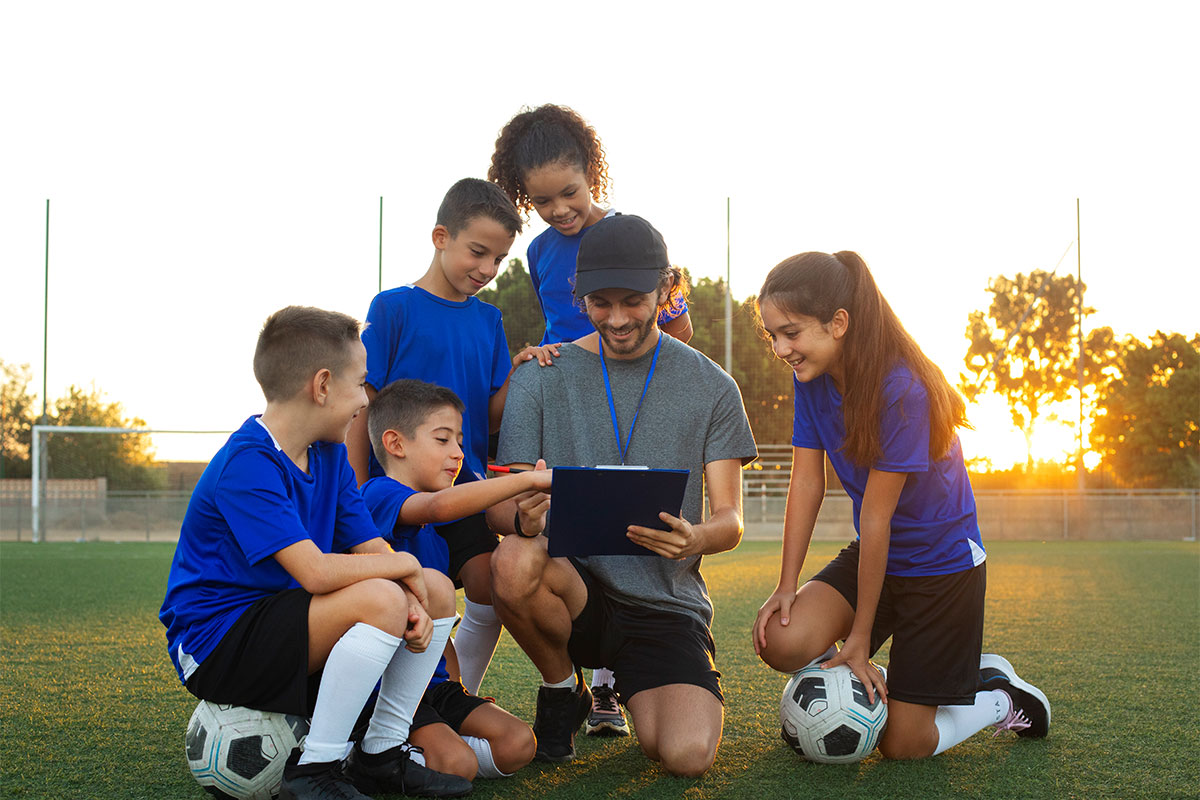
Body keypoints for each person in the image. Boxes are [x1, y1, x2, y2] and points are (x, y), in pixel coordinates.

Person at [159, 306, 472, 800]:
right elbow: (315, 571)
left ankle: (381, 756)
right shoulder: (248, 461)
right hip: (216, 642)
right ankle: (314, 772)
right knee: (386, 596)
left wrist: (415, 584)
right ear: (322, 386)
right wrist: (404, 568)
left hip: (284, 620)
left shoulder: (329, 453)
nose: (364, 399)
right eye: (360, 384)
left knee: (434, 588)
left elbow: (370, 544)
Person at [485, 214, 758, 776]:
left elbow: (730, 521)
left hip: (664, 603)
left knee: (683, 755)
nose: (616, 318)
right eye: (599, 302)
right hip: (574, 591)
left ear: (665, 289)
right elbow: (502, 506)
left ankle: (636, 687)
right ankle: (564, 688)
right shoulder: (540, 376)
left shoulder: (712, 385)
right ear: (579, 297)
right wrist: (526, 520)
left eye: (633, 300)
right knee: (512, 559)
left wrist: (696, 537)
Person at [751, 251, 1051, 760]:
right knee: (780, 638)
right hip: (879, 551)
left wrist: (860, 637)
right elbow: (806, 483)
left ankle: (997, 694)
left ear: (838, 323)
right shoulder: (812, 376)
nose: (781, 348)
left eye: (791, 333)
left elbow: (877, 513)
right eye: (772, 335)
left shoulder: (901, 390)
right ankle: (888, 685)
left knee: (905, 745)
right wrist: (785, 585)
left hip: (942, 568)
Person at [488, 104, 692, 735]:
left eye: (569, 193)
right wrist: (539, 358)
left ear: (592, 176)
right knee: (559, 531)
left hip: (628, 407)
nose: (558, 210)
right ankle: (576, 680)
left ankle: (612, 683)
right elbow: (559, 329)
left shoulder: (631, 236)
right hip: (571, 406)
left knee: (624, 530)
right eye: (541, 199)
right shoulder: (543, 252)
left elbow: (676, 323)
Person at [346, 177, 533, 699]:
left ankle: (454, 696)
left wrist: (519, 372)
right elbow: (363, 405)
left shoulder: (489, 319)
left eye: (498, 259)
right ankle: (397, 708)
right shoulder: (393, 308)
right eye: (478, 252)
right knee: (414, 596)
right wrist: (359, 491)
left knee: (491, 588)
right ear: (440, 237)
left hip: (460, 488)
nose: (488, 270)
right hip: (398, 497)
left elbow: (490, 419)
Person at [359, 378, 548, 780]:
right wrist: (526, 480)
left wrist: (455, 688)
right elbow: (440, 506)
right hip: (384, 691)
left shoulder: (436, 543)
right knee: (457, 766)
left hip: (434, 686)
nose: (459, 453)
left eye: (460, 441)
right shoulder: (375, 495)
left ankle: (432, 755)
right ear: (396, 444)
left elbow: (441, 627)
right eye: (443, 440)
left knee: (519, 744)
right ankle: (362, 753)